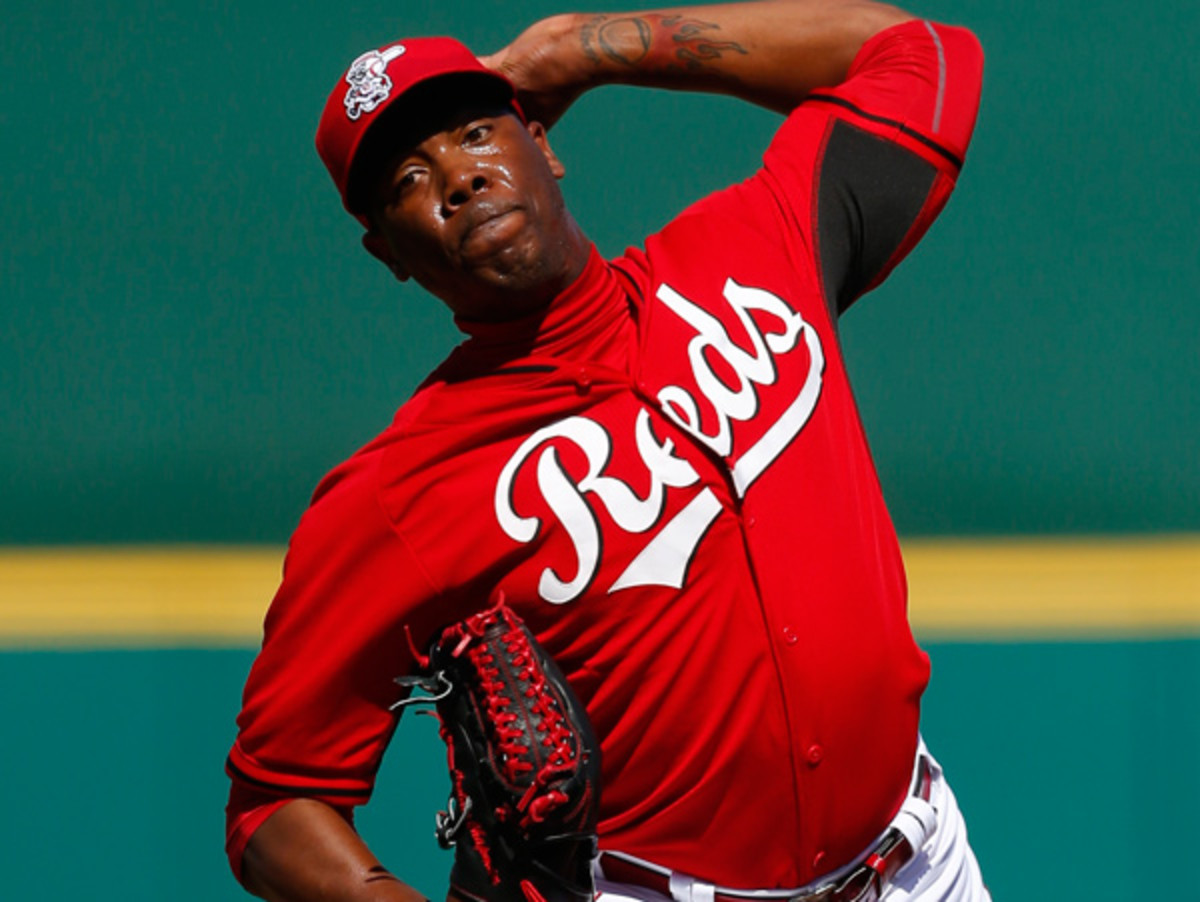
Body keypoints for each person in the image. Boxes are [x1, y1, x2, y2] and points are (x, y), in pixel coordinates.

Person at [225, 2, 987, 900]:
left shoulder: (755, 249)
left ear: (543, 145)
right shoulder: (398, 491)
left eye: (475, 134)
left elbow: (922, 55)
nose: (458, 179)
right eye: (406, 181)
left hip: (919, 863)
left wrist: (583, 48)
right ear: (386, 251)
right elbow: (274, 800)